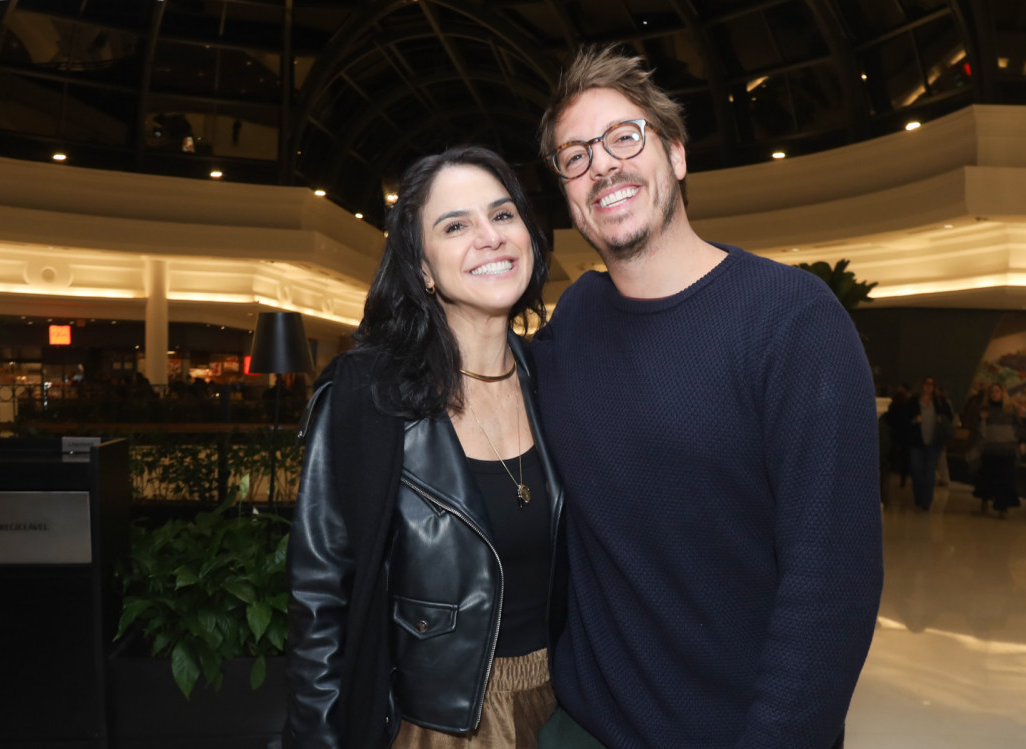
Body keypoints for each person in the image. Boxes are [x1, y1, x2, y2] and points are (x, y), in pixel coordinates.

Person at [531, 45, 883, 749]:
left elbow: (831, 584)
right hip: (581, 727)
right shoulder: (574, 321)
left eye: (624, 137)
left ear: (677, 155)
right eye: (575, 156)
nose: (602, 165)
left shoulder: (793, 320)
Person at [283, 145, 563, 748]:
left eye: (503, 214)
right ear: (423, 269)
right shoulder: (367, 396)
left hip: (568, 708)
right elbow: (320, 598)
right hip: (437, 724)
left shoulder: (557, 381)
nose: (490, 236)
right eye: (455, 226)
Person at [970, 383, 1026, 518]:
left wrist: (1021, 442)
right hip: (990, 448)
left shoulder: (1010, 409)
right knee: (988, 476)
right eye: (992, 392)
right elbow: (975, 427)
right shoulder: (984, 409)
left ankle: (1003, 507)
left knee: (1006, 478)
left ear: (1002, 393)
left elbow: (1019, 426)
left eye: (997, 391)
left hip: (1007, 449)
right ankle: (985, 499)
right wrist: (981, 418)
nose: (994, 394)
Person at [904, 376, 955, 511]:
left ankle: (926, 501)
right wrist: (914, 420)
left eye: (931, 384)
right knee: (916, 470)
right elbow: (904, 418)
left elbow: (950, 416)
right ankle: (919, 495)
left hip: (934, 441)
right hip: (916, 442)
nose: (928, 387)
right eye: (926, 384)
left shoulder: (939, 402)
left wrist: (941, 419)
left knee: (930, 471)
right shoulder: (913, 402)